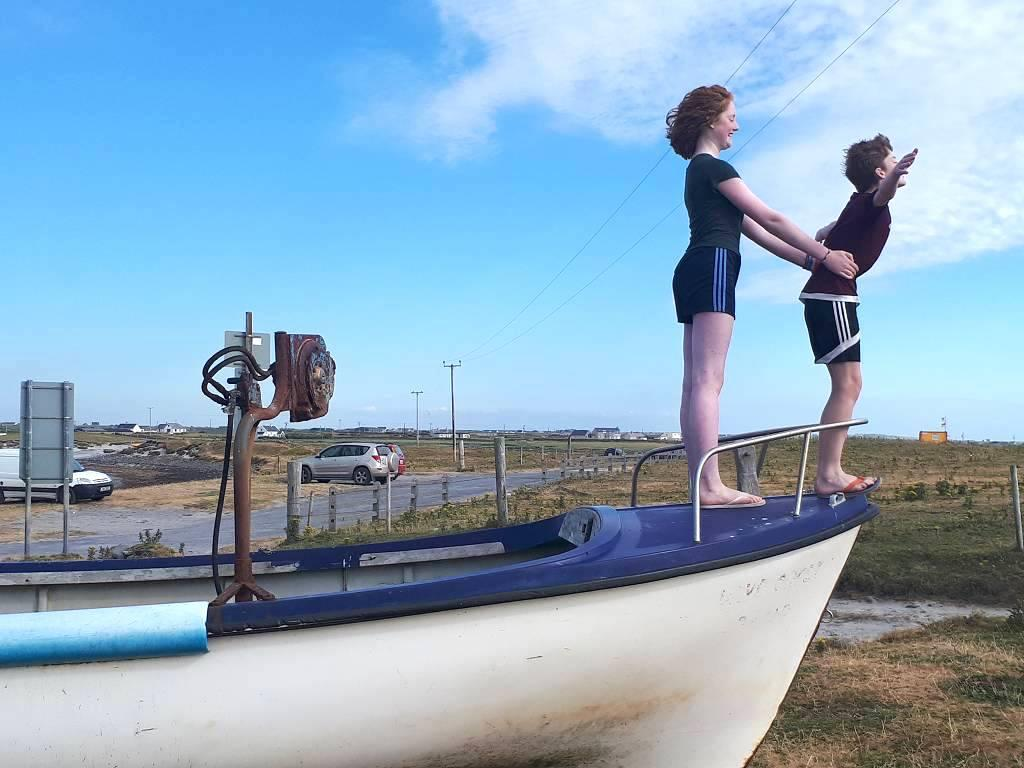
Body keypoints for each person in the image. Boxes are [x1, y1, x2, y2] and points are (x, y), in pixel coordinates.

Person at [666, 84, 858, 509]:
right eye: (731, 117)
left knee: (695, 381)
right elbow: (771, 217)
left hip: (694, 267)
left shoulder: (697, 173)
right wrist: (825, 254)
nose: (736, 125)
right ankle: (709, 487)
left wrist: (810, 261)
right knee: (709, 381)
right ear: (711, 120)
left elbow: (757, 231)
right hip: (714, 264)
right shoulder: (715, 167)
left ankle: (701, 485)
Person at [802, 135, 917, 497]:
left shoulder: (858, 205)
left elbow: (840, 224)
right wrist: (895, 174)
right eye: (892, 161)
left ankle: (829, 472)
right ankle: (828, 474)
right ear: (880, 173)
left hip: (829, 297)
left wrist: (826, 231)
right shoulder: (874, 202)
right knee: (848, 385)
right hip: (833, 296)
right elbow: (882, 194)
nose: (898, 166)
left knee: (848, 384)